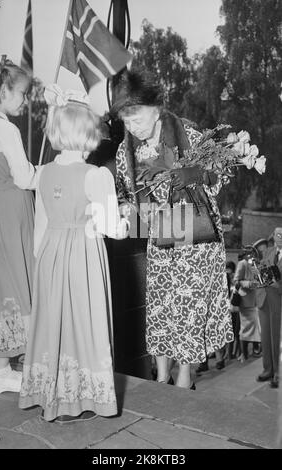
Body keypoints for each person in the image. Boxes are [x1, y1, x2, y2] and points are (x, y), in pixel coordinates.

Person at [111, 70, 233, 390]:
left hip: (194, 234)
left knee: (190, 308)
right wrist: (126, 214)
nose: (132, 127)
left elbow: (221, 175)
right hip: (160, 235)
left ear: (156, 107)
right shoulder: (126, 153)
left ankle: (184, 378)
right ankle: (161, 376)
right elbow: (127, 196)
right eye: (126, 120)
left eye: (136, 117)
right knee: (163, 307)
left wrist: (197, 174)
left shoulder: (189, 134)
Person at [19, 84, 129, 423]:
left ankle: (50, 393)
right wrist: (127, 218)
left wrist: (42, 263)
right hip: (83, 256)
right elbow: (113, 228)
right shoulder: (96, 176)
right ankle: (77, 399)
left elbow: (40, 226)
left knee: (54, 322)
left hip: (51, 256)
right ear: (89, 135)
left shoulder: (44, 173)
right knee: (84, 321)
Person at [0, 56, 35, 394]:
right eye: (22, 94)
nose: (24, 101)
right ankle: (3, 368)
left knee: (1, 283)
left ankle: (2, 363)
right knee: (14, 284)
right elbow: (23, 176)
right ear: (4, 91)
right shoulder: (5, 128)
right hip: (10, 212)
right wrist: (50, 172)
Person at [256, 227, 282, 389]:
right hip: (264, 300)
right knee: (266, 338)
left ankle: (277, 374)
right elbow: (260, 273)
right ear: (273, 236)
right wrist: (256, 272)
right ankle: (268, 370)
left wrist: (278, 285)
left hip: (279, 299)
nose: (280, 237)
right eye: (277, 234)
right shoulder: (268, 251)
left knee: (277, 339)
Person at [233, 246, 261, 363]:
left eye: (254, 253)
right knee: (245, 329)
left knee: (255, 326)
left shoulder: (254, 264)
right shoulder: (242, 263)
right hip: (245, 301)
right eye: (250, 253)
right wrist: (249, 284)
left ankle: (253, 349)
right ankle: (244, 354)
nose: (252, 255)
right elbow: (236, 281)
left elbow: (258, 279)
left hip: (255, 300)